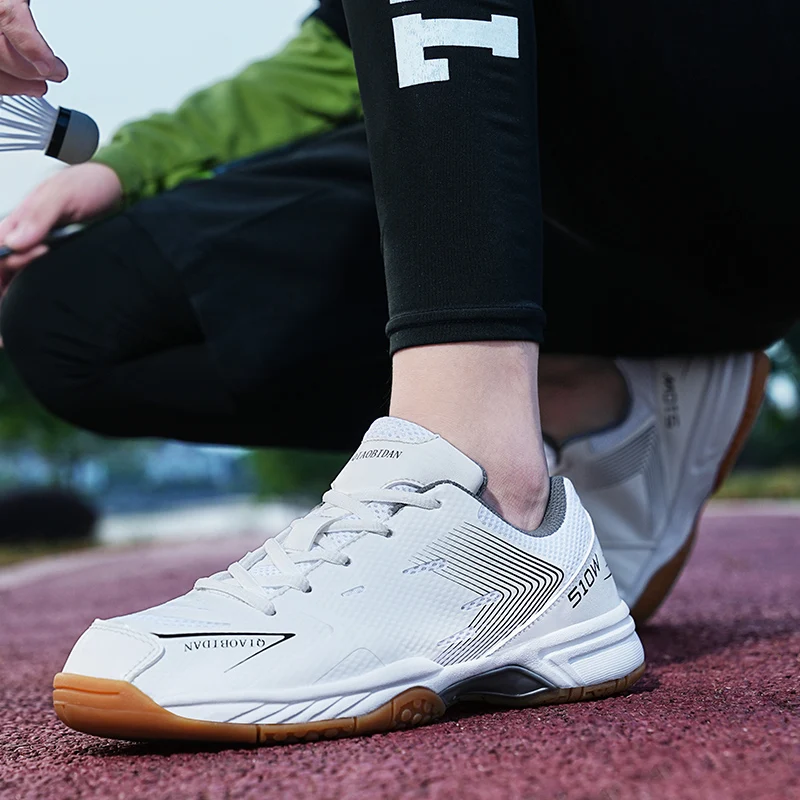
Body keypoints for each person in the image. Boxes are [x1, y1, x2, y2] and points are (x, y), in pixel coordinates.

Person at [0, 0, 797, 743]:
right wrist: (128, 163)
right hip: (535, 162)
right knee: (74, 319)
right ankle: (596, 394)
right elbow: (344, 58)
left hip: (739, 132)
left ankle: (485, 489)